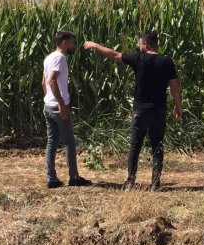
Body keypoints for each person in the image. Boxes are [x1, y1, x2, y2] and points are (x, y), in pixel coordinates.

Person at [83, 31, 182, 191]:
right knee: (157, 146)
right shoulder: (166, 61)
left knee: (135, 145)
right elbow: (175, 87)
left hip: (140, 111)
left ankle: (130, 181)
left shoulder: (138, 59)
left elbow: (114, 54)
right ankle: (155, 183)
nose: (138, 45)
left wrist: (95, 45)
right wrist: (178, 106)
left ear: (145, 44)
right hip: (158, 110)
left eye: (139, 43)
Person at [42, 31, 92, 189]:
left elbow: (43, 82)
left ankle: (51, 178)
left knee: (52, 142)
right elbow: (51, 80)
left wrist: (49, 99)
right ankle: (74, 177)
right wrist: (61, 105)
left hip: (48, 106)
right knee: (69, 143)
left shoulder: (49, 57)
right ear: (63, 42)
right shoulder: (60, 58)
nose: (73, 45)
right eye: (71, 42)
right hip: (58, 107)